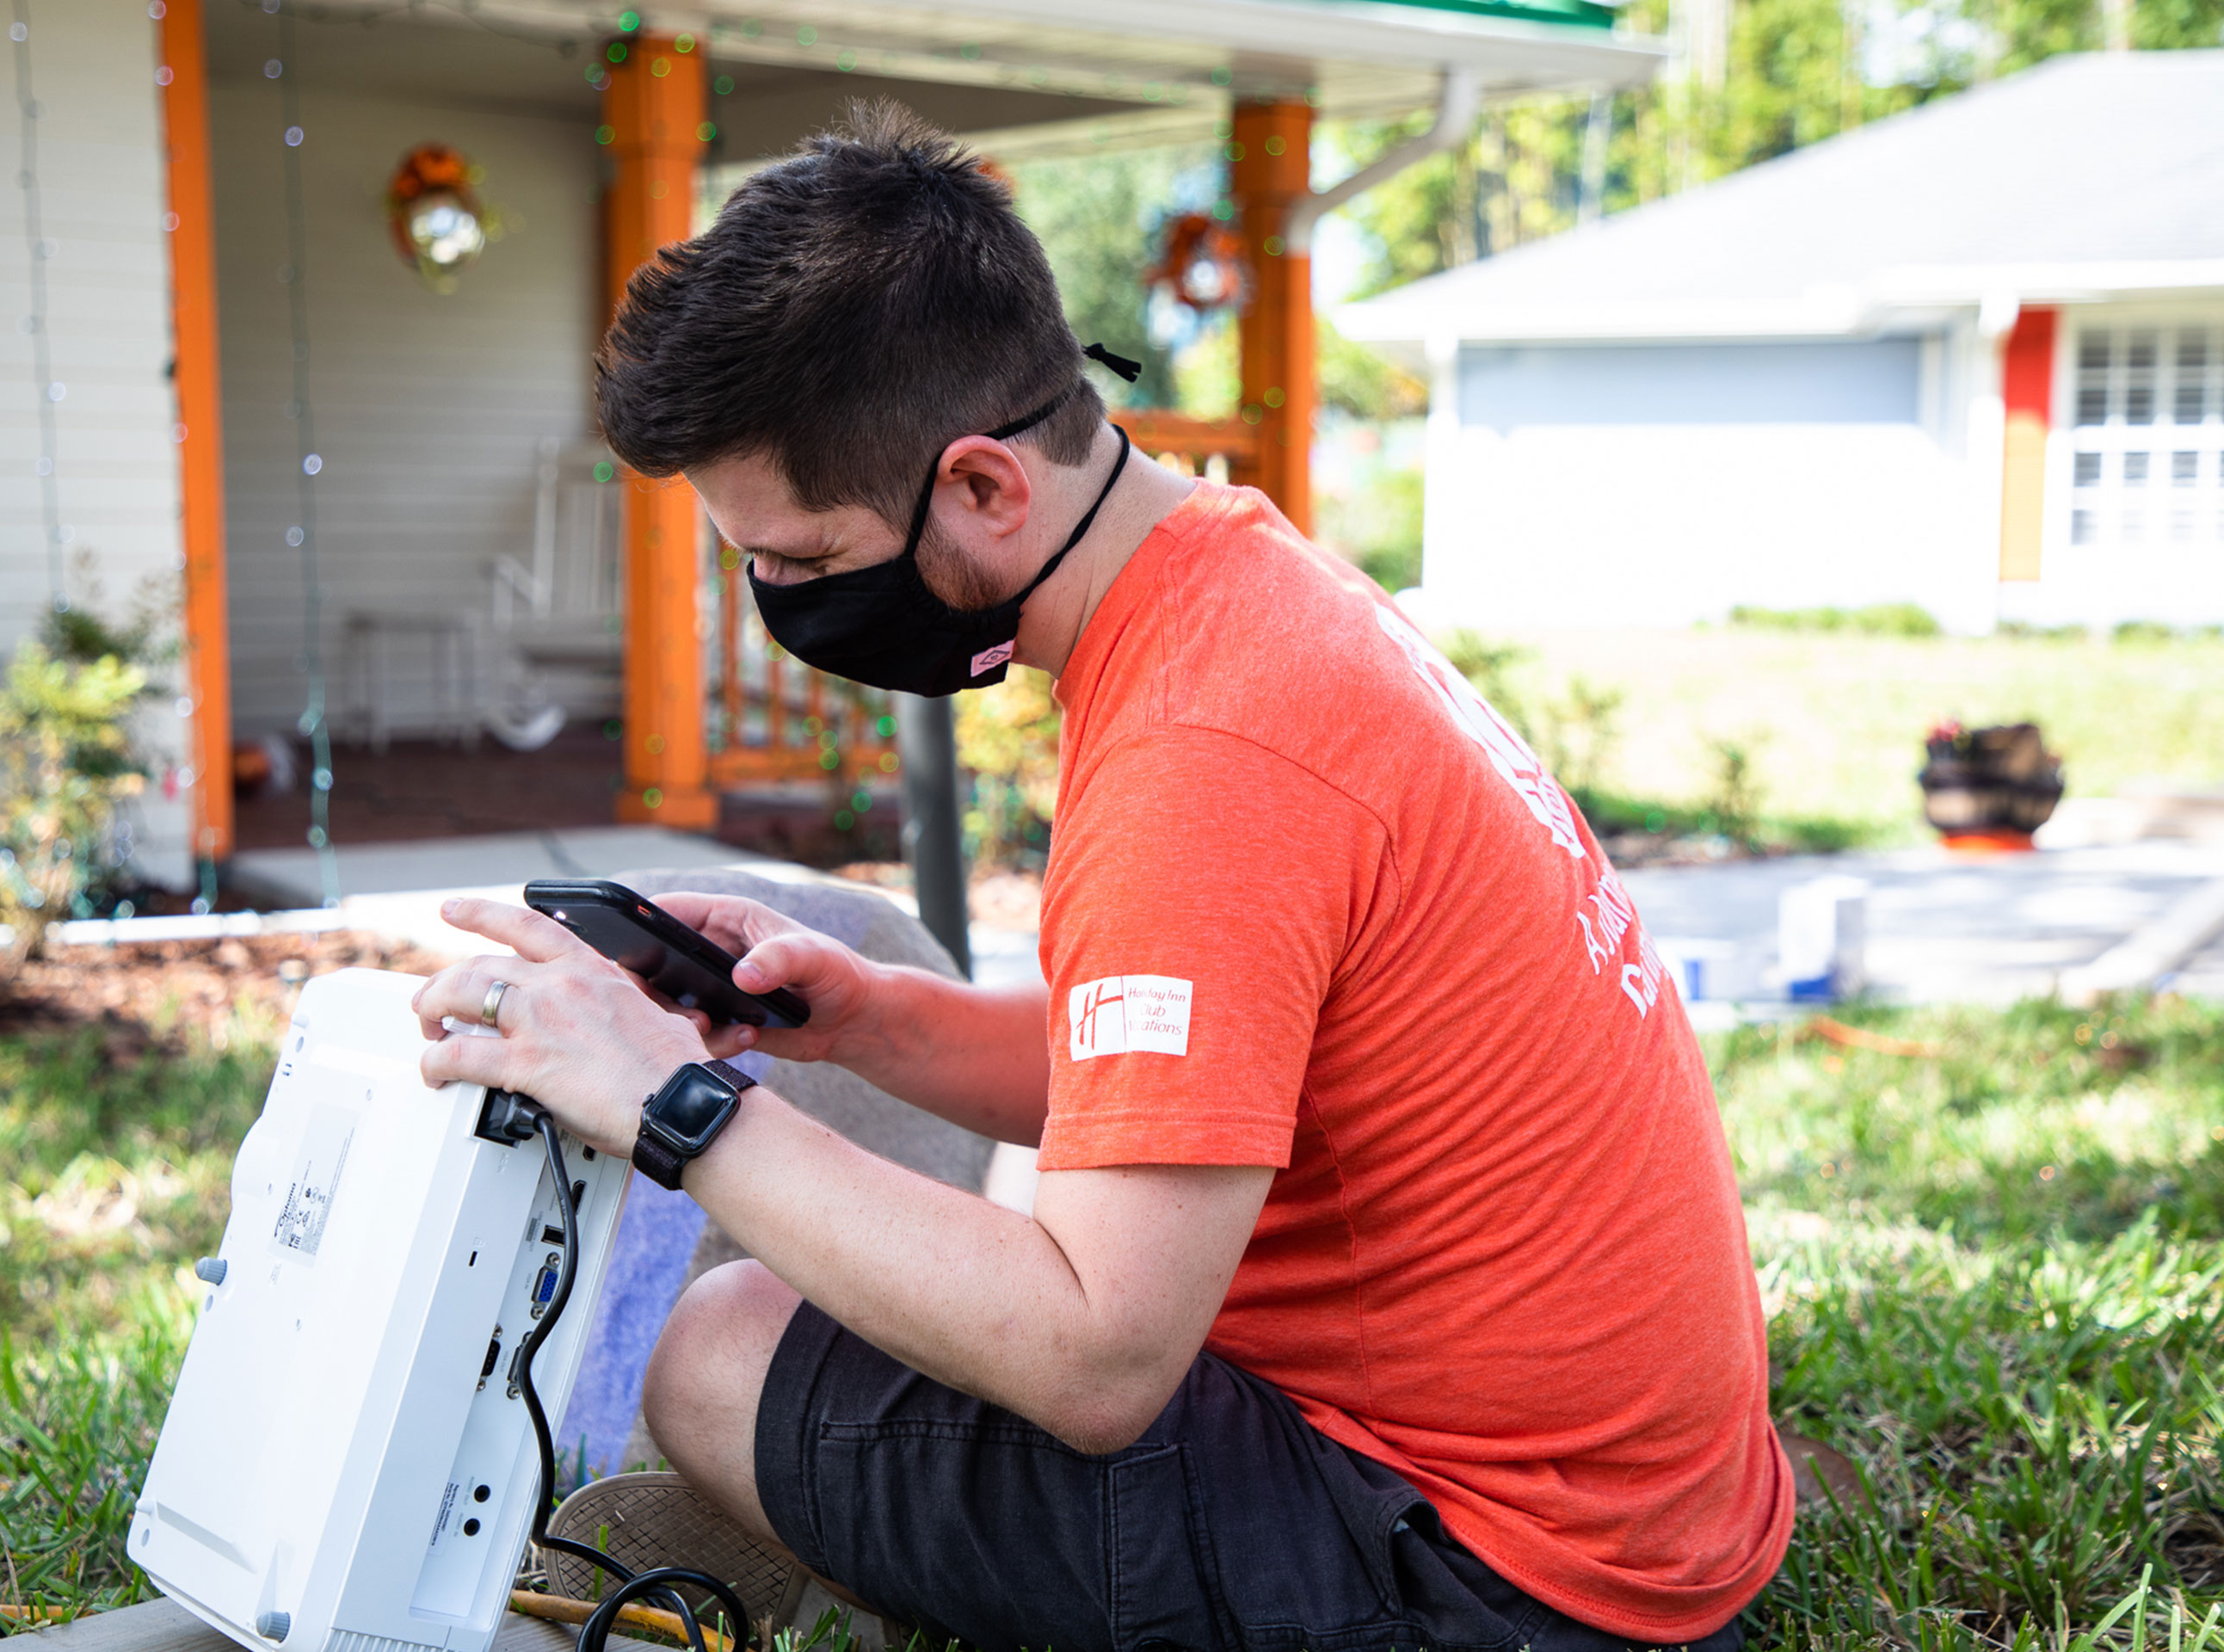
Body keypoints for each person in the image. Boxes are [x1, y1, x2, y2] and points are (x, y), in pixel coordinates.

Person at [412, 102, 1791, 1652]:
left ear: (987, 488)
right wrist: (868, 1017)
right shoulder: (1247, 584)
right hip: (1616, 1514)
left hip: (1493, 1582)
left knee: (721, 1349)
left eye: (801, 563)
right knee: (887, 1199)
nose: (779, 603)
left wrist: (673, 1100)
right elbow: (1175, 1074)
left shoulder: (1205, 755)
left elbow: (1096, 1358)